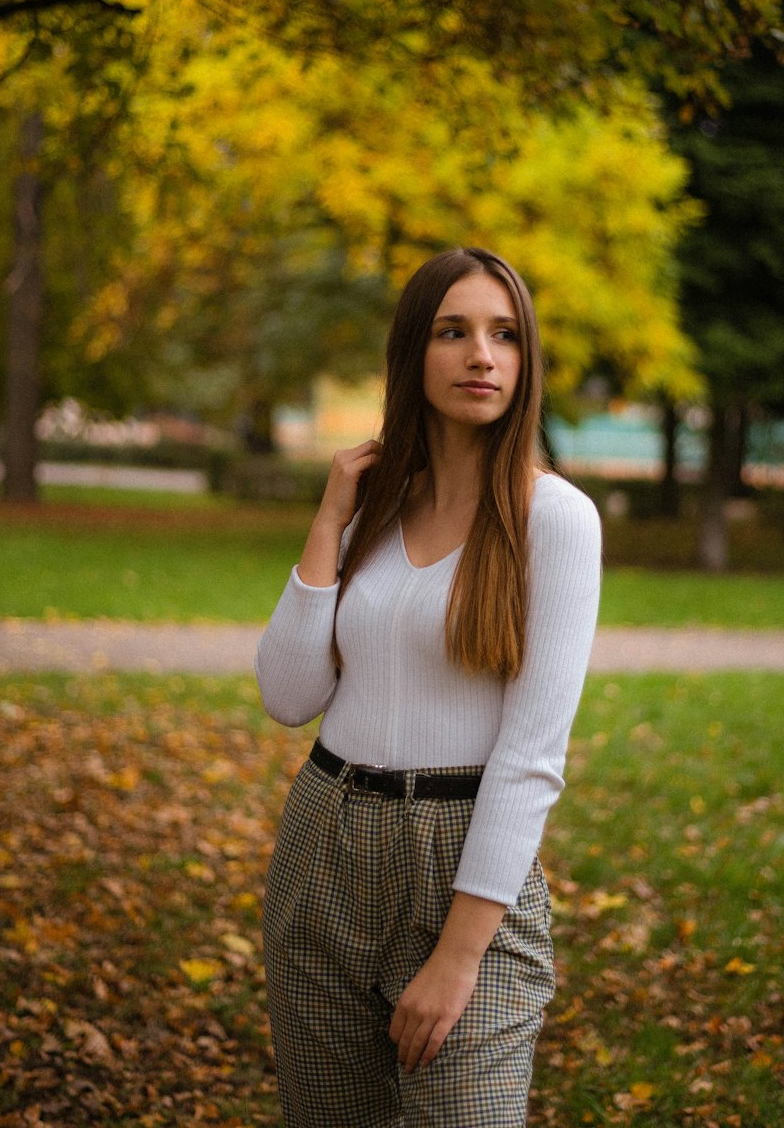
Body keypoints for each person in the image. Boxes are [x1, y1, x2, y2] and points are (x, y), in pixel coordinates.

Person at [255, 246, 602, 1127]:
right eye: (454, 332)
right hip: (325, 840)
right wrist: (330, 519)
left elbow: (531, 756)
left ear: (525, 364)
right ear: (414, 352)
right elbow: (289, 695)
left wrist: (456, 960)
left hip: (464, 863)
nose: (482, 356)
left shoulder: (553, 518)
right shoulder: (376, 507)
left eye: (504, 335)